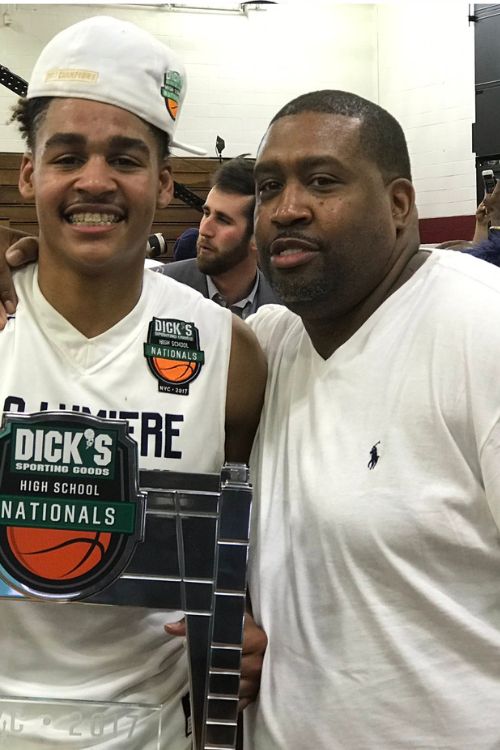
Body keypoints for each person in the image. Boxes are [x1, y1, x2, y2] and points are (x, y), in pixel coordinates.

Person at [0, 15, 266, 750]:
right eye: (68, 156)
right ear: (30, 173)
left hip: (148, 731)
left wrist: (239, 632)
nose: (94, 181)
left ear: (162, 181)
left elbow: (238, 554)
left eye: (124, 157)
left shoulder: (227, 353)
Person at [242, 90, 500, 748]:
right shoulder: (268, 345)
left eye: (322, 181)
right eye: (269, 186)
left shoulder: (482, 329)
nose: (287, 208)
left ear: (399, 204)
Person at [160, 157, 280, 317]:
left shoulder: (285, 310)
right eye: (206, 213)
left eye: (223, 220)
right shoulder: (159, 290)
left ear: (257, 237)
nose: (204, 229)